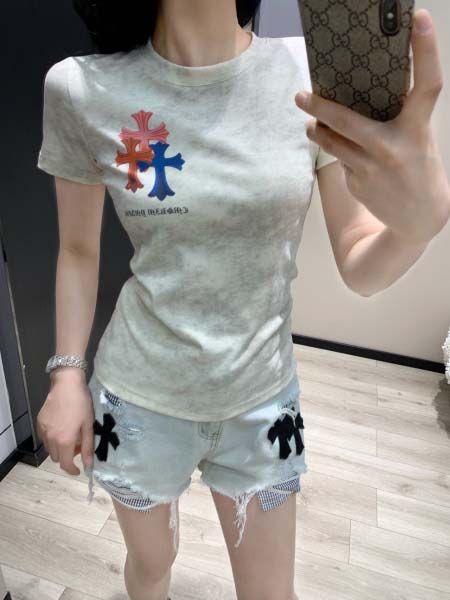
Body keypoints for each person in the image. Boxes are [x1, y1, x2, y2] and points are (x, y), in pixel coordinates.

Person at [36, 1, 340, 598]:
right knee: (152, 566)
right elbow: (77, 250)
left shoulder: (310, 75)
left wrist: (426, 195)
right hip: (139, 398)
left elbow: (365, 255)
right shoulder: (80, 88)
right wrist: (66, 375)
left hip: (261, 397)